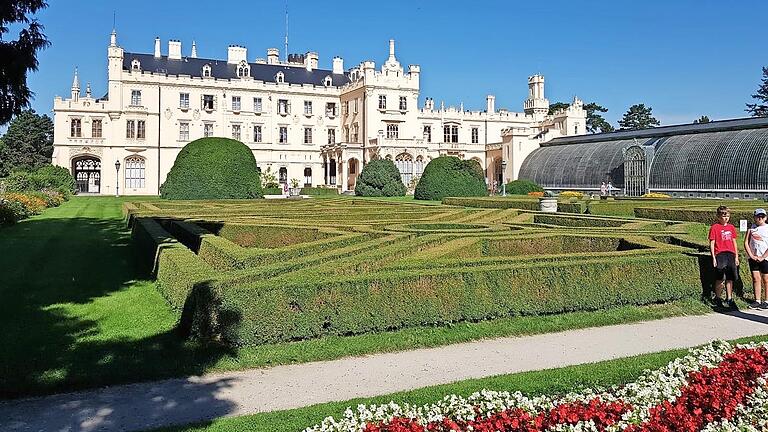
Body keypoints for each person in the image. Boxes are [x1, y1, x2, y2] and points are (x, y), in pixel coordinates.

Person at [709, 205, 740, 308]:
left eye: (727, 216)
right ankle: (718, 298)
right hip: (720, 254)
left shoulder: (731, 227)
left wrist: (736, 256)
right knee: (720, 277)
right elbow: (712, 243)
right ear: (718, 216)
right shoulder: (714, 227)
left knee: (730, 278)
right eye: (723, 216)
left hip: (730, 253)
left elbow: (734, 242)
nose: (726, 218)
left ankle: (729, 298)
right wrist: (713, 257)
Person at [744, 208, 768, 309]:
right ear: (754, 217)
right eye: (758, 217)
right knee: (755, 278)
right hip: (753, 257)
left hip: (765, 258)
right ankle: (757, 300)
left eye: (762, 217)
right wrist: (751, 255)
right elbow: (746, 242)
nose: (760, 218)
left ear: (765, 217)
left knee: (766, 279)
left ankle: (766, 300)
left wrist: (763, 257)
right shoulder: (751, 228)